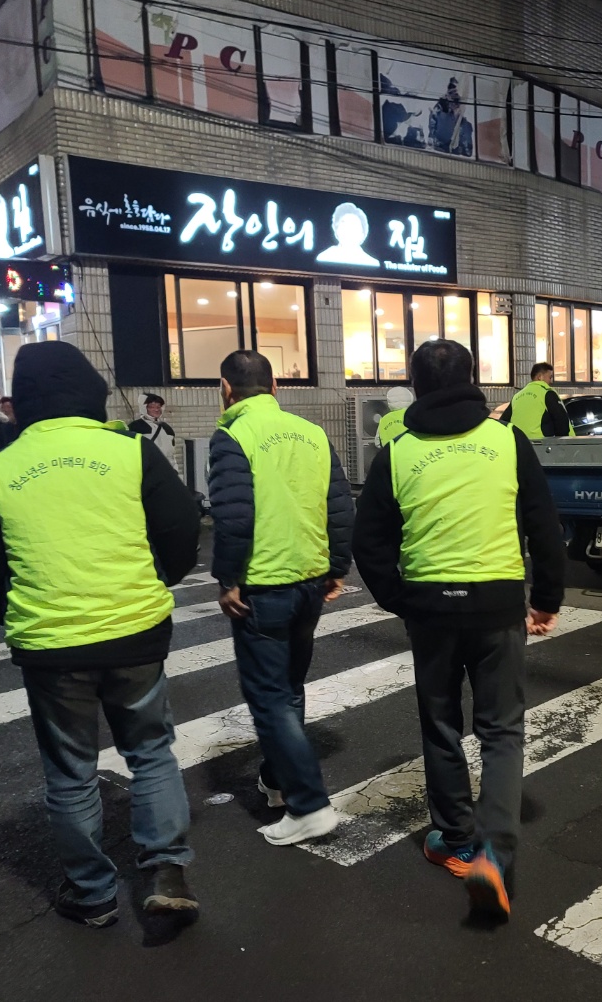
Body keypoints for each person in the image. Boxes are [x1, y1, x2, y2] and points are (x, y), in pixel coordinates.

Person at [0, 341, 202, 929]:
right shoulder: (131, 452)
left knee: (70, 771)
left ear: (21, 402)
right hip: (134, 628)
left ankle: (92, 893)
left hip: (51, 644)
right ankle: (166, 869)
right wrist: (158, 580)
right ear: (91, 391)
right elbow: (182, 526)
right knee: (151, 752)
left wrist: (21, 611)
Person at [352, 340, 565, 921]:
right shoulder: (505, 441)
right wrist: (545, 598)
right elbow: (543, 524)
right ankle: (495, 853)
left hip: (431, 611)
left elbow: (367, 541)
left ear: (416, 387)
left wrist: (401, 599)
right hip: (498, 606)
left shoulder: (396, 452)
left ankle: (455, 838)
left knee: (441, 724)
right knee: (501, 730)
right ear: (473, 380)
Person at [208, 350, 353, 846]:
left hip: (262, 587)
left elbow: (232, 516)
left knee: (269, 697)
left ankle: (310, 805)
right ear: (275, 387)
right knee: (289, 688)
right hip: (310, 582)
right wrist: (337, 567)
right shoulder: (312, 433)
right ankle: (276, 780)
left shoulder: (232, 435)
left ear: (226, 388)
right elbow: (338, 504)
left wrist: (227, 578)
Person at [502, 362, 573, 439]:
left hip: (520, 444)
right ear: (540, 377)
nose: (551, 381)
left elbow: (503, 422)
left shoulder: (517, 396)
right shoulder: (547, 393)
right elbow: (561, 420)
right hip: (542, 445)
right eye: (550, 377)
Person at [128, 393, 176, 464]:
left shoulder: (167, 428)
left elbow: (171, 454)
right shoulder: (135, 427)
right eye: (152, 407)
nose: (156, 410)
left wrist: (174, 470)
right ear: (144, 408)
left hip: (165, 469)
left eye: (158, 407)